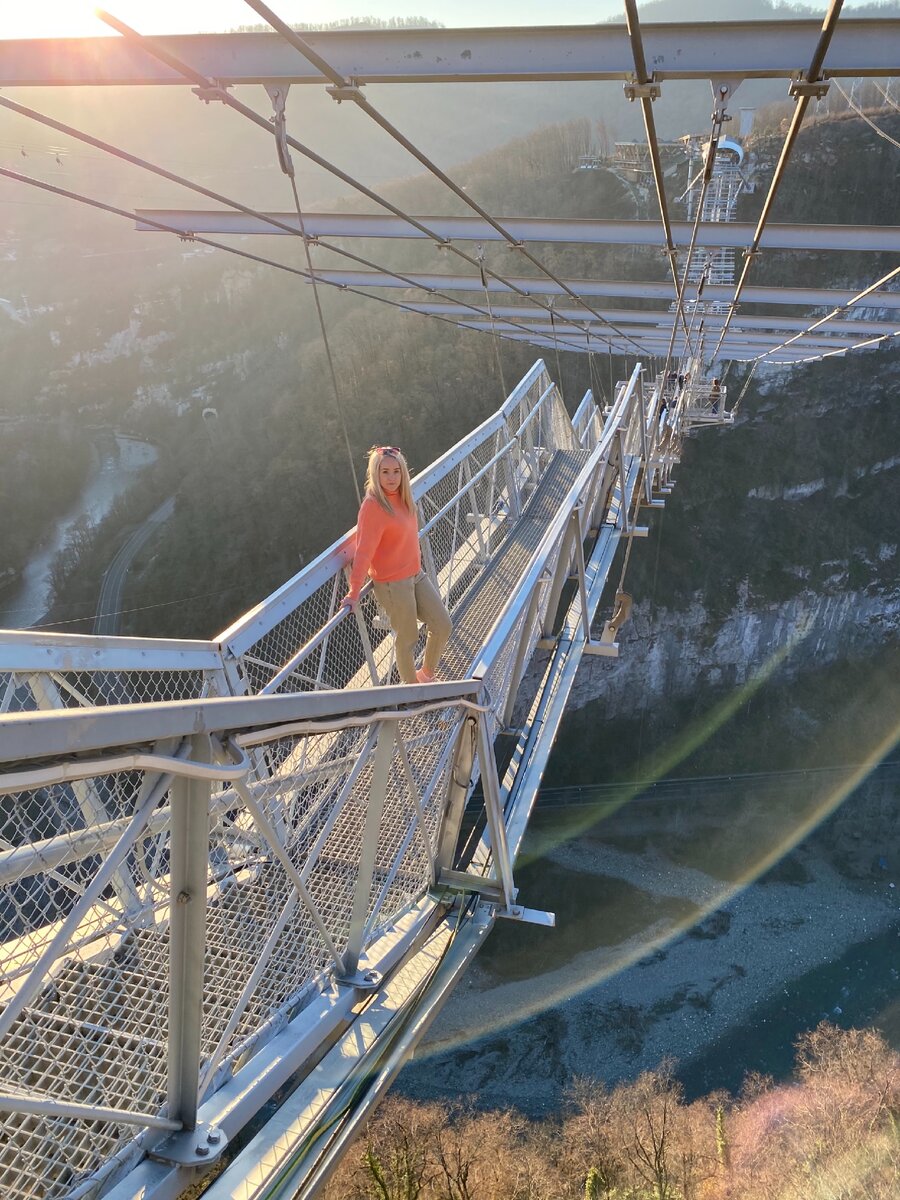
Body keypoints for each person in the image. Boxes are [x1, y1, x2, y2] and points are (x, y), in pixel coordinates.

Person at [341, 445, 452, 684]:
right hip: (393, 584)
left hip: (415, 574)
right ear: (375, 474)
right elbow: (363, 552)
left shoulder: (404, 498)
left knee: (442, 625)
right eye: (385, 472)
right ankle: (413, 692)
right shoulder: (373, 506)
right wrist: (354, 590)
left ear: (403, 473)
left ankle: (426, 676)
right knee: (408, 637)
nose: (391, 478)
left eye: (396, 471)